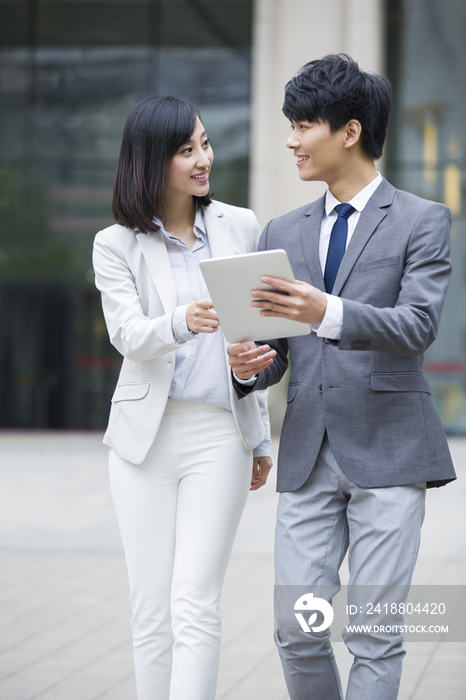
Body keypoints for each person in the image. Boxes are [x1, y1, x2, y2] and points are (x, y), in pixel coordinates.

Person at [228, 54, 456, 700]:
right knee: (296, 630)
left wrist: (325, 311)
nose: (292, 140)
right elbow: (275, 350)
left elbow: (416, 326)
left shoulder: (423, 221)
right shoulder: (282, 231)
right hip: (308, 456)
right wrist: (250, 366)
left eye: (304, 124)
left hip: (390, 451)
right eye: (290, 125)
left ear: (349, 131)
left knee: (375, 634)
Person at [92, 94, 272, 700]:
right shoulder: (114, 244)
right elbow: (127, 336)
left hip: (220, 434)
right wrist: (180, 322)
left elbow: (252, 336)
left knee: (196, 602)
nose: (204, 159)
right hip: (144, 441)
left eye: (205, 142)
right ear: (150, 161)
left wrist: (260, 437)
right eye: (186, 149)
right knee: (151, 608)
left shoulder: (240, 225)